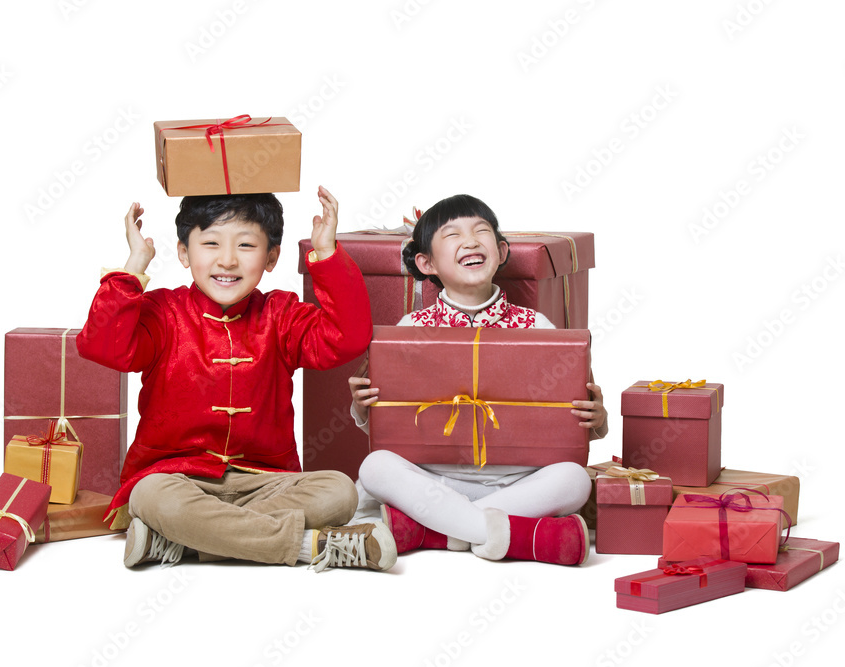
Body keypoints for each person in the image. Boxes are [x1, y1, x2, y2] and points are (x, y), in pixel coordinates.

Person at [77, 187, 396, 572]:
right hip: (175, 479)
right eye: (210, 243)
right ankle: (308, 546)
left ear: (271, 257)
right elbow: (102, 347)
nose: (227, 260)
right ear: (183, 252)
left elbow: (347, 338)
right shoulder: (163, 312)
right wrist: (133, 267)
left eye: (246, 245)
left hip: (264, 481)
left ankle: (183, 539)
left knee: (340, 492)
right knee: (151, 495)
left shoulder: (281, 314)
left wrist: (326, 252)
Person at [349, 194, 606, 565]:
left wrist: (598, 418)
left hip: (516, 481)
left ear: (501, 251)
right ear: (426, 262)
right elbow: (389, 423)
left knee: (575, 480)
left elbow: (577, 419)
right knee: (374, 468)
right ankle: (512, 535)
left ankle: (433, 531)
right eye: (452, 235)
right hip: (435, 479)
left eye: (481, 231)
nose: (470, 241)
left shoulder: (537, 328)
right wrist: (361, 406)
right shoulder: (410, 331)